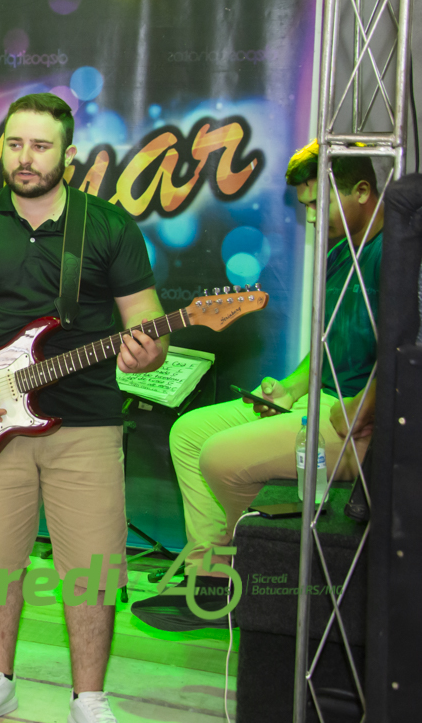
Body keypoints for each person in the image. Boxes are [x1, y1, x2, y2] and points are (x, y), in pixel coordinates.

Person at [0, 93, 167, 723]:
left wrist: (147, 352)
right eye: (15, 144)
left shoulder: (108, 227)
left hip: (88, 422)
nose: (25, 158)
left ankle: (89, 698)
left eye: (41, 146)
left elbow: (147, 323)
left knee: (92, 569)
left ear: (69, 155)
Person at [130, 142, 382, 631]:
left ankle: (251, 570)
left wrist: (360, 407)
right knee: (188, 433)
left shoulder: (396, 254)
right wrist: (289, 389)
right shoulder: (341, 255)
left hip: (360, 424)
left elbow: (405, 351)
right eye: (306, 206)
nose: (312, 217)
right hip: (322, 401)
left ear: (361, 191)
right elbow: (327, 345)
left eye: (318, 203)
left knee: (220, 456)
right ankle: (211, 579)